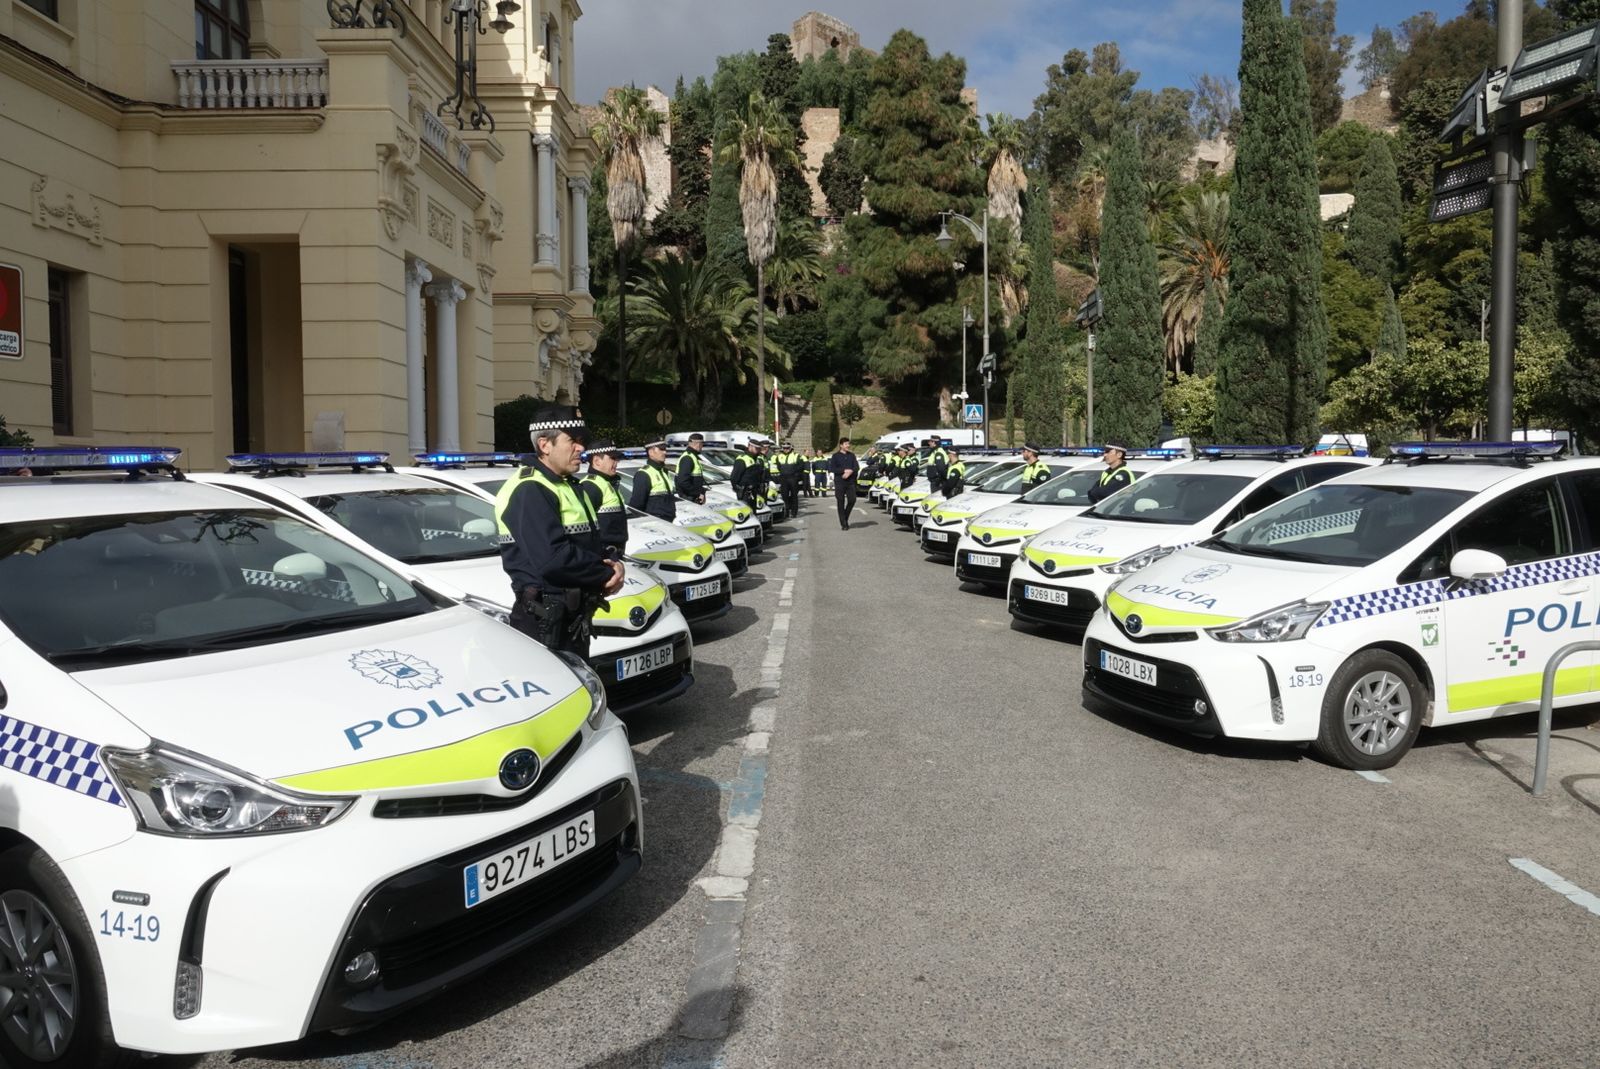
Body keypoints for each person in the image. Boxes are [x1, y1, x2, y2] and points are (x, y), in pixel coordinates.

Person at [494, 404, 625, 656]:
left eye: (581, 441)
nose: (581, 448)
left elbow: (591, 542)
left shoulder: (569, 486)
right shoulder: (530, 489)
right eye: (572, 441)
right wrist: (605, 572)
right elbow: (554, 559)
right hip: (544, 623)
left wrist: (613, 561)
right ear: (545, 445)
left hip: (570, 618)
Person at [578, 440, 628, 556]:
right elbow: (585, 529)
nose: (617, 462)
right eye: (612, 458)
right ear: (596, 461)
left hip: (614, 552)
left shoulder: (607, 483)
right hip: (604, 554)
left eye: (617, 458)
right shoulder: (591, 486)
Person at [630, 438, 677, 521]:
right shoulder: (644, 474)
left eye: (665, 449)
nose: (665, 452)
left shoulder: (664, 471)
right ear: (651, 452)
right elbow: (636, 506)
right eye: (661, 449)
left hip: (668, 522)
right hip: (655, 523)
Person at [828, 437, 859, 529]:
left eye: (848, 444)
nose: (848, 446)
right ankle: (844, 524)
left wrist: (850, 472)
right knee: (840, 501)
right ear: (841, 445)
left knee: (852, 500)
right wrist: (844, 470)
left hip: (850, 482)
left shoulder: (852, 455)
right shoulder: (835, 456)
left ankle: (844, 517)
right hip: (840, 482)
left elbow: (856, 467)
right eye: (846, 444)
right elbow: (832, 468)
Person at [675, 432, 708, 504]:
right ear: (698, 444)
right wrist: (698, 493)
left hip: (692, 497)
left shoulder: (692, 456)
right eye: (702, 444)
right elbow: (683, 482)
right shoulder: (688, 458)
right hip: (689, 498)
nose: (702, 446)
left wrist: (701, 492)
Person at [731, 438, 763, 507]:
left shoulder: (756, 459)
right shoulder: (742, 459)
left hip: (753, 492)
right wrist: (739, 490)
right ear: (750, 446)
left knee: (753, 513)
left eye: (759, 449)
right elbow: (734, 478)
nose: (758, 450)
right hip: (744, 493)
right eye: (756, 448)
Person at [778, 440, 804, 519]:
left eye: (787, 448)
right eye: (784, 448)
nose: (786, 449)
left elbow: (801, 466)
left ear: (791, 448)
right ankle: (786, 512)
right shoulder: (779, 456)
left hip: (793, 478)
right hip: (783, 478)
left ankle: (794, 512)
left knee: (794, 496)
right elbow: (778, 466)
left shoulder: (796, 456)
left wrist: (796, 476)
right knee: (784, 496)